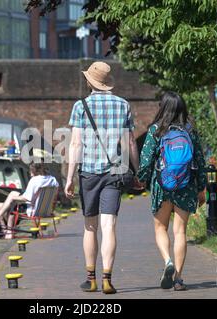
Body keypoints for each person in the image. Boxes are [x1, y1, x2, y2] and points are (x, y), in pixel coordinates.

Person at [65, 61, 141, 294]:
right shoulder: (123, 105)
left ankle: (92, 279)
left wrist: (69, 178)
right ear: (107, 83)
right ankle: (108, 278)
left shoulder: (81, 106)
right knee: (109, 226)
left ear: (90, 81)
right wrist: (137, 172)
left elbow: (76, 144)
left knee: (90, 226)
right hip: (114, 172)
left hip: (88, 172)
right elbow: (128, 143)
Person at [138, 91, 207, 291]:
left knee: (160, 228)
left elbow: (146, 160)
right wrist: (201, 188)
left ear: (163, 108)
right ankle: (178, 279)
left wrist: (141, 180)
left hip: (162, 184)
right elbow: (200, 162)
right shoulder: (190, 131)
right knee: (180, 232)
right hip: (185, 185)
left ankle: (167, 261)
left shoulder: (155, 130)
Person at [0, 162, 59, 239]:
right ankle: (4, 228)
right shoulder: (53, 179)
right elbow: (54, 197)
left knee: (12, 199)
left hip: (33, 210)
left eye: (30, 170)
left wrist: (12, 198)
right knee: (2, 202)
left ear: (34, 170)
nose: (30, 172)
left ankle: (6, 229)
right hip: (47, 210)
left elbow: (26, 198)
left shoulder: (34, 180)